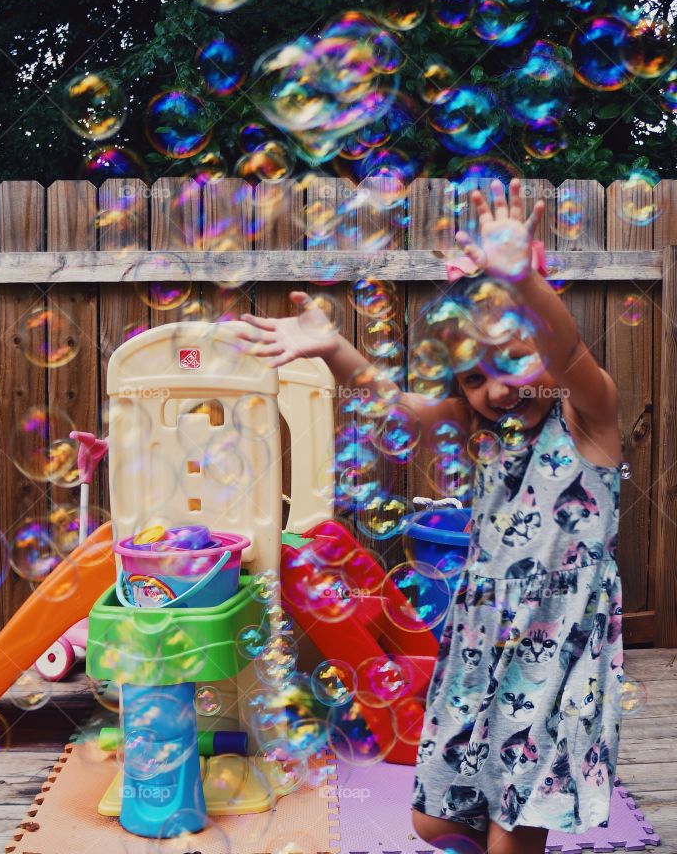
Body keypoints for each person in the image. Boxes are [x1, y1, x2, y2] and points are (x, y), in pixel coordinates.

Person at [236, 178, 625, 854]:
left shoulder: (588, 420)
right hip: (479, 647)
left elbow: (569, 353)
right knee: (435, 822)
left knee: (511, 829)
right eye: (474, 378)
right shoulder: (485, 433)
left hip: (558, 656)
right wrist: (333, 349)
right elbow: (403, 409)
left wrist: (524, 284)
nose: (499, 389)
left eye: (512, 360)